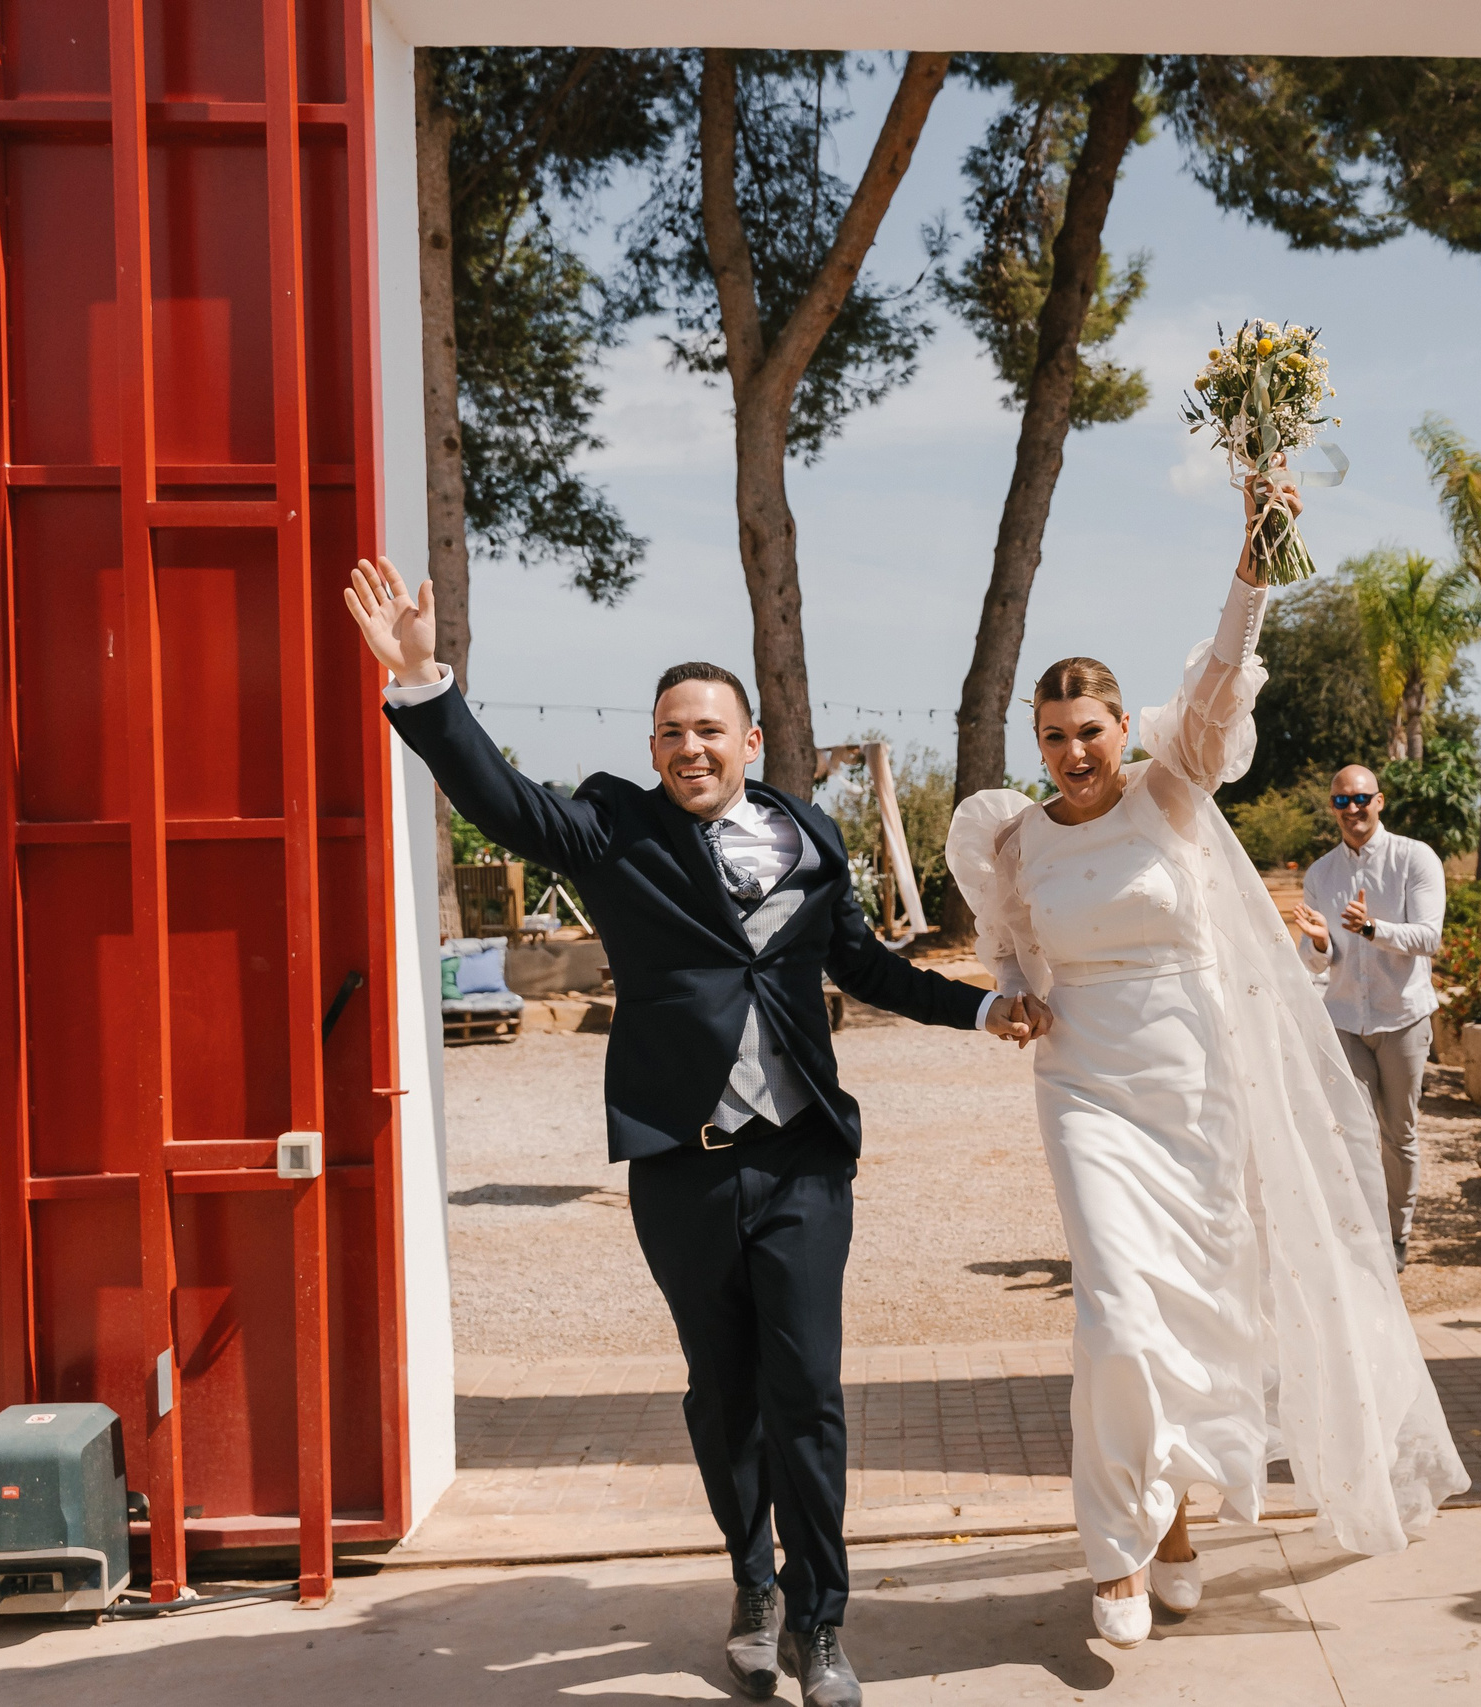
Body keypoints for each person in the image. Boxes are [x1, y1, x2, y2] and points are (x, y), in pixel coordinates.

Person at [344, 561, 1037, 1707]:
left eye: (709, 730)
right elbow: (500, 801)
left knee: (807, 1388)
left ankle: (822, 1623)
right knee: (721, 1396)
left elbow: (856, 965)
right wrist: (422, 683)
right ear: (654, 743)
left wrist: (974, 1006)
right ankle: (750, 1580)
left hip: (805, 1158)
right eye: (672, 732)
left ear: (750, 740)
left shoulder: (811, 834)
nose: (690, 749)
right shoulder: (616, 830)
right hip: (684, 1166)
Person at [945, 475, 1467, 1650]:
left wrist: (1254, 557)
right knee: (1116, 1321)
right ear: (1034, 745)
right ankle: (1121, 1553)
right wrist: (1016, 1001)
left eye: (1091, 732)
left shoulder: (1171, 793)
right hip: (1085, 1090)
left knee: (1205, 1319)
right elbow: (1013, 963)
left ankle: (1178, 1522)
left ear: (1123, 730)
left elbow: (1221, 678)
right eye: (1053, 739)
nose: (1074, 753)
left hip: (1198, 1090)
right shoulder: (1013, 842)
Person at [1290, 763, 1447, 1270]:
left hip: (1401, 1018)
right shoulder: (1322, 874)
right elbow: (1315, 961)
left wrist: (1374, 928)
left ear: (1380, 801)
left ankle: (1396, 1232)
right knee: (1351, 1130)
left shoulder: (1413, 859)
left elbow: (1429, 937)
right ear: (1332, 807)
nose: (1351, 809)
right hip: (1344, 1021)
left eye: (1360, 799)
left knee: (1397, 1133)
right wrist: (1317, 941)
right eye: (1341, 801)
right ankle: (1365, 1236)